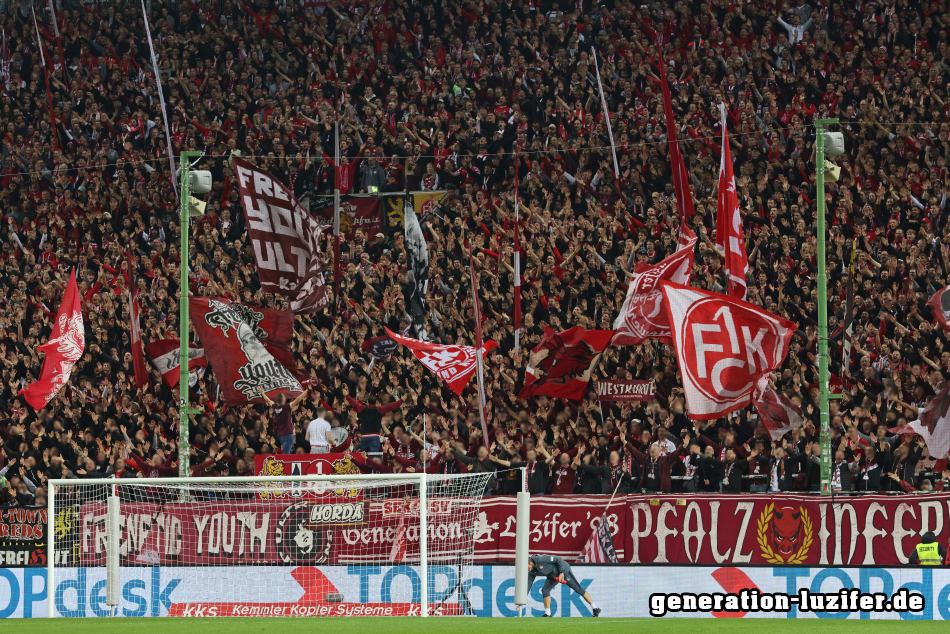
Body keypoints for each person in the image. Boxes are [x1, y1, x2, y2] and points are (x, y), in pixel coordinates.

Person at [527, 554, 600, 617]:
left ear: (530, 563)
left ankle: (595, 608)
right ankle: (548, 614)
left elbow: (558, 559)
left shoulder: (541, 559)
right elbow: (529, 583)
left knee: (578, 589)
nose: (527, 569)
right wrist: (523, 598)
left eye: (527, 566)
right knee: (545, 590)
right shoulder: (532, 571)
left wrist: (561, 572)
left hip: (563, 571)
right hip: (552, 576)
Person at [344, 389, 403, 453]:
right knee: (373, 457)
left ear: (367, 402)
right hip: (375, 437)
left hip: (364, 437)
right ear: (375, 402)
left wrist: (347, 396)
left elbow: (354, 404)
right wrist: (401, 400)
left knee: (364, 457)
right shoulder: (379, 409)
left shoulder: (363, 408)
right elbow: (390, 407)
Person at [258, 386, 310, 454]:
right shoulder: (286, 407)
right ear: (283, 399)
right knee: (286, 455)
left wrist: (262, 393)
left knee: (286, 452)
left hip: (280, 435)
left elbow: (268, 400)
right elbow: (297, 399)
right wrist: (306, 390)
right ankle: (285, 464)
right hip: (288, 434)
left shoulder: (275, 407)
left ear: (276, 400)